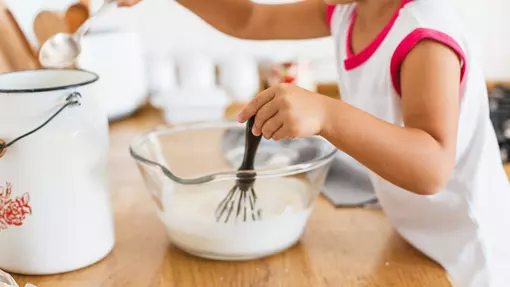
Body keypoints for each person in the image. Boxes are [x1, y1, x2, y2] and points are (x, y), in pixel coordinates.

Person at [119, 0, 510, 286]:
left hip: (472, 255)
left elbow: (431, 168)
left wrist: (327, 114)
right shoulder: (348, 10)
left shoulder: (425, 35)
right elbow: (252, 18)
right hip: (415, 235)